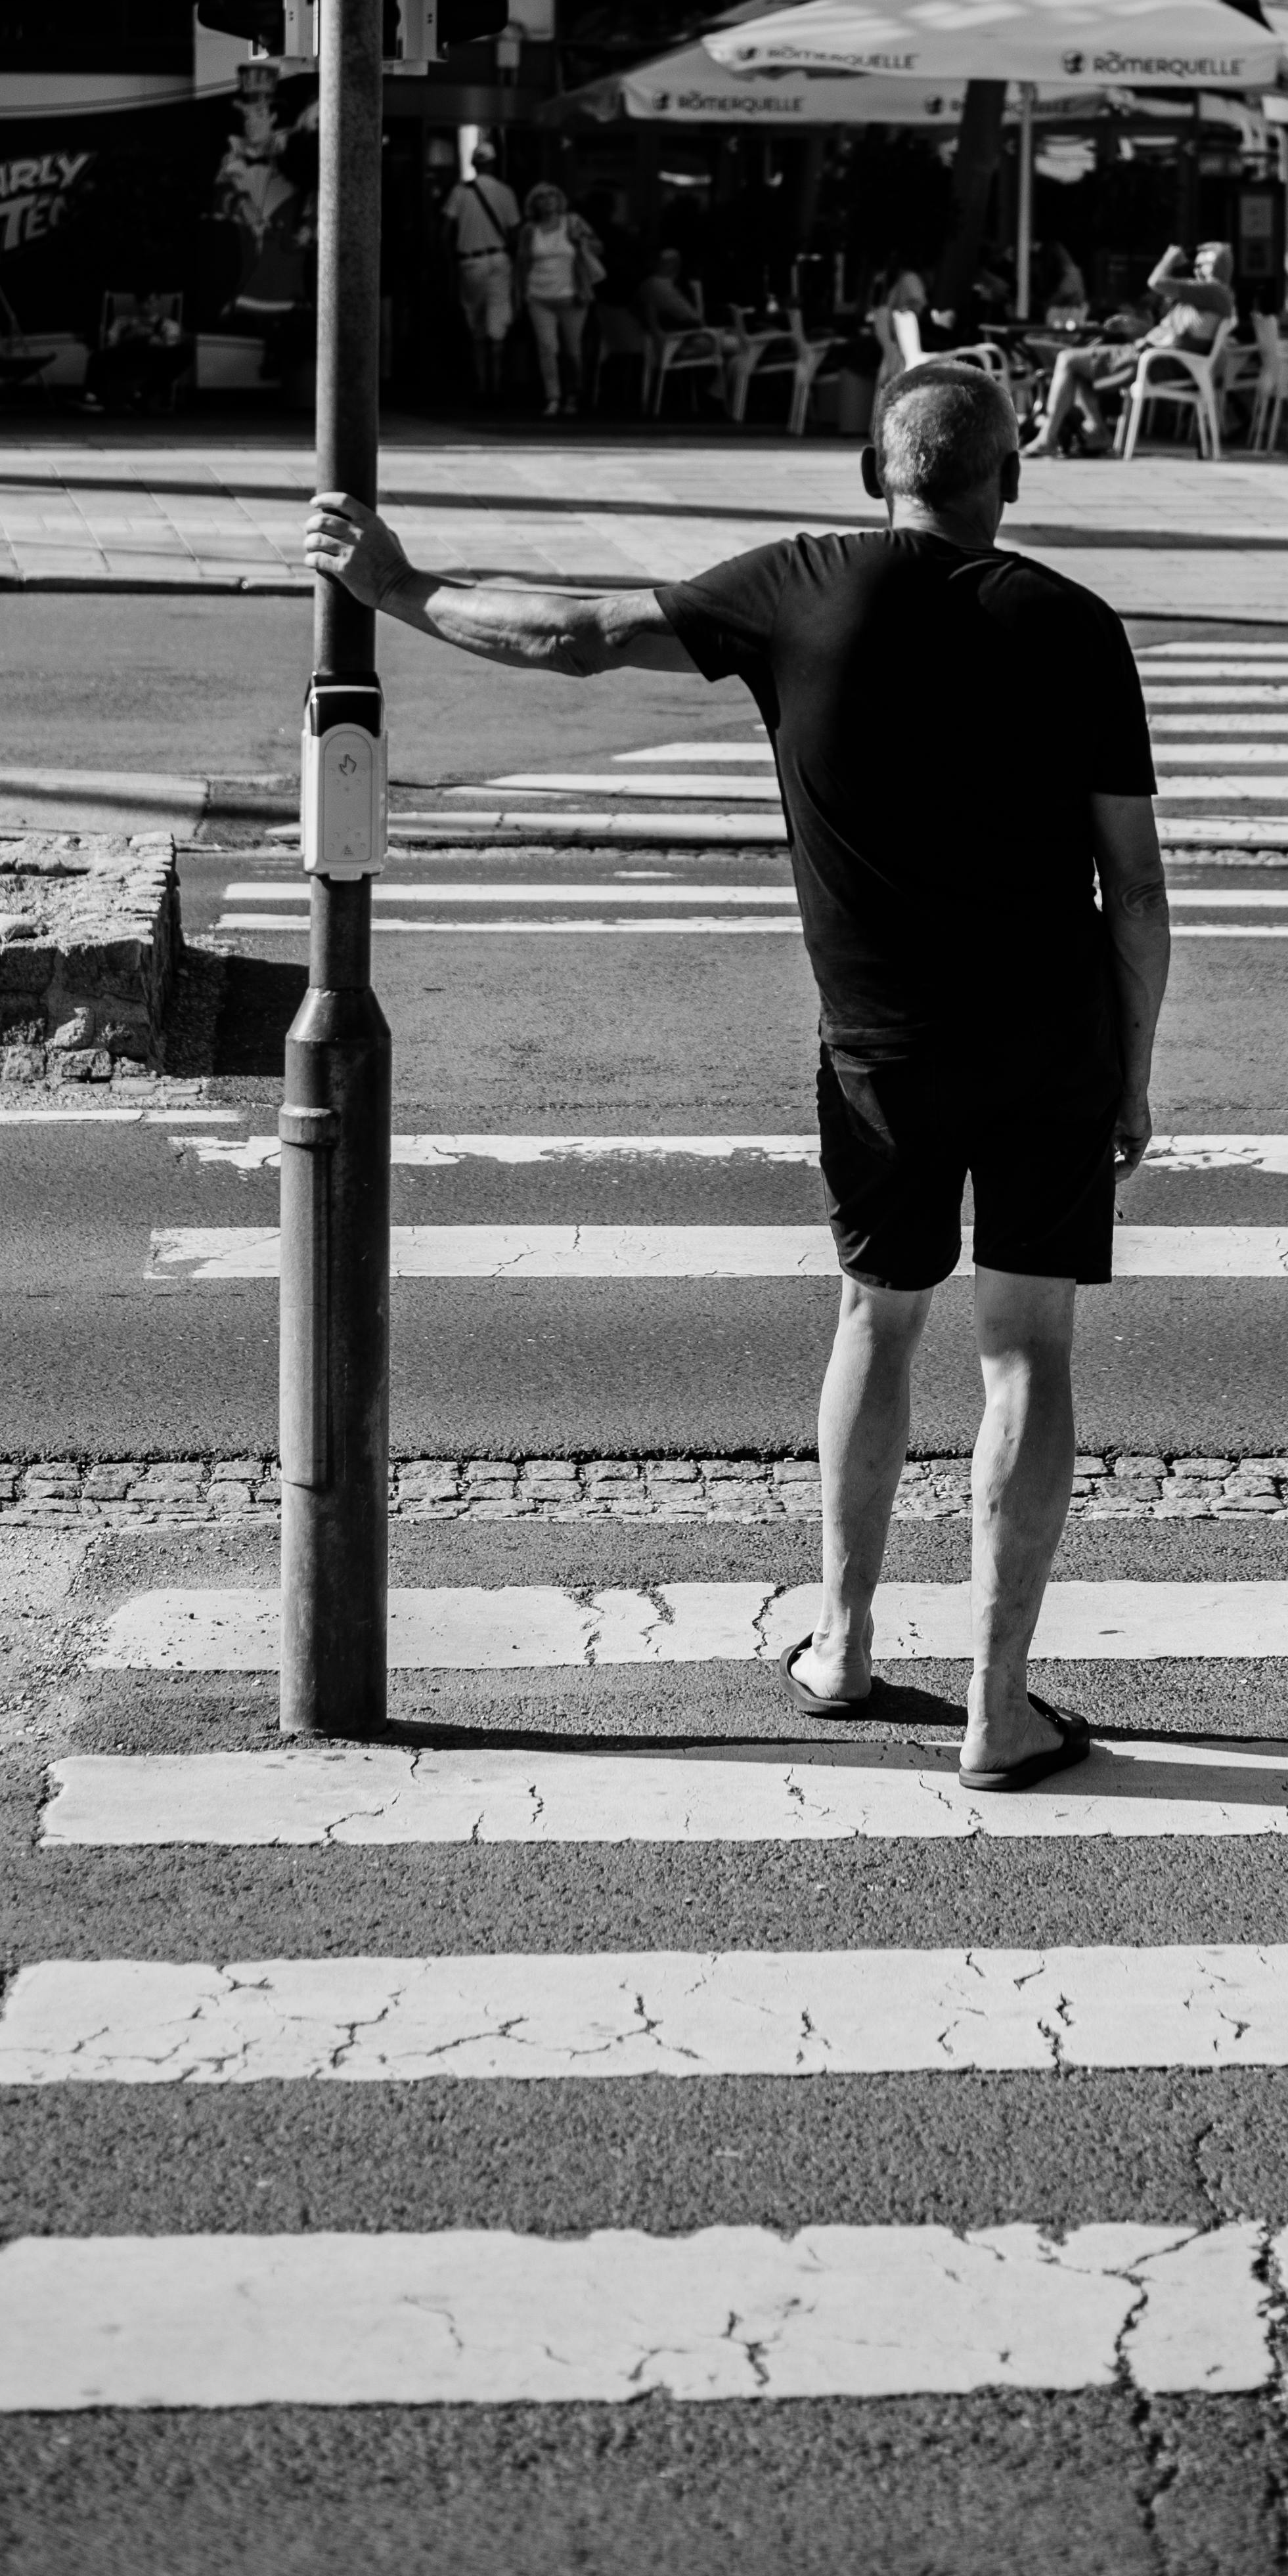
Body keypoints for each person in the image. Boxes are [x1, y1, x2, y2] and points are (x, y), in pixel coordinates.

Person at [305, 357, 1170, 1789]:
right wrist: (1131, 1067)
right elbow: (1131, 890)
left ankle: (837, 1644)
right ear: (1007, 479)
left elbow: (577, 634)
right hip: (1049, 1044)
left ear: (870, 474)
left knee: (875, 1322)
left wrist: (402, 592)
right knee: (1025, 1352)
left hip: (881, 1054)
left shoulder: (799, 589)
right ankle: (995, 1710)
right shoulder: (1073, 626)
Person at [1034, 240, 1233, 458]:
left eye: (1203, 264)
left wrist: (1170, 258)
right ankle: (1093, 431)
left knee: (1067, 359)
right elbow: (1169, 335)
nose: (1196, 269)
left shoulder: (1214, 291)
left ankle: (1049, 437)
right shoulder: (1204, 298)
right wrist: (1136, 327)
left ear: (1220, 266)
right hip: (1154, 357)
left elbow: (1156, 282)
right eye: (1196, 265)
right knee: (1077, 367)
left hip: (1156, 363)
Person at [443, 140, 522, 406]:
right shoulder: (505, 192)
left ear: (475, 164)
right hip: (498, 258)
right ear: (493, 163)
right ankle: (495, 383)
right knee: (497, 322)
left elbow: (445, 229)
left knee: (476, 323)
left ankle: (482, 383)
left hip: (471, 262)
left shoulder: (461, 192)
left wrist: (445, 260)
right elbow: (514, 231)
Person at [520, 179, 602, 416]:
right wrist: (521, 293)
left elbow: (599, 247)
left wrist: (581, 241)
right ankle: (553, 397)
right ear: (534, 203)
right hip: (538, 295)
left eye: (552, 197)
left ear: (560, 201)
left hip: (571, 295)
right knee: (547, 348)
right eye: (542, 198)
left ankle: (573, 396)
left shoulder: (573, 222)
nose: (548, 202)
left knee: (573, 350)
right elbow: (523, 264)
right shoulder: (529, 230)